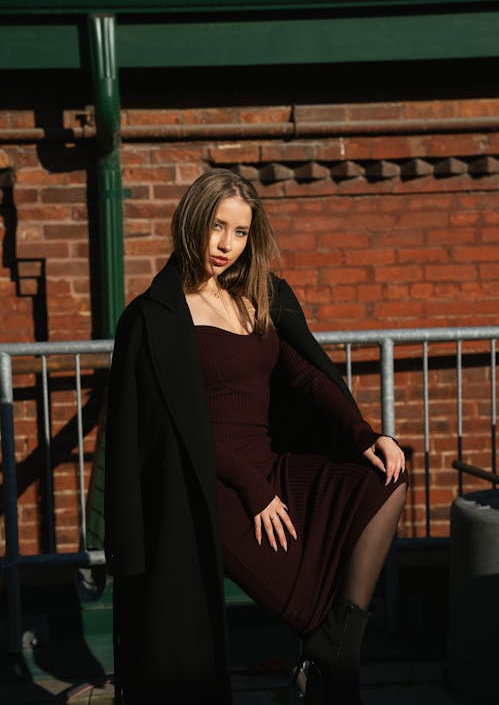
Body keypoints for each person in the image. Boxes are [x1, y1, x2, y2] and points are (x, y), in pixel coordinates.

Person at [104, 167, 408, 705]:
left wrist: (363, 434)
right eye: (217, 227)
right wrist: (251, 486)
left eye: (240, 232)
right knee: (300, 605)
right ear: (193, 222)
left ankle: (335, 650)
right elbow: (175, 425)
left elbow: (306, 374)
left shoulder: (259, 297)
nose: (226, 245)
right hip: (210, 482)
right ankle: (328, 660)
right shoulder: (155, 319)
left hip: (272, 466)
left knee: (382, 481)